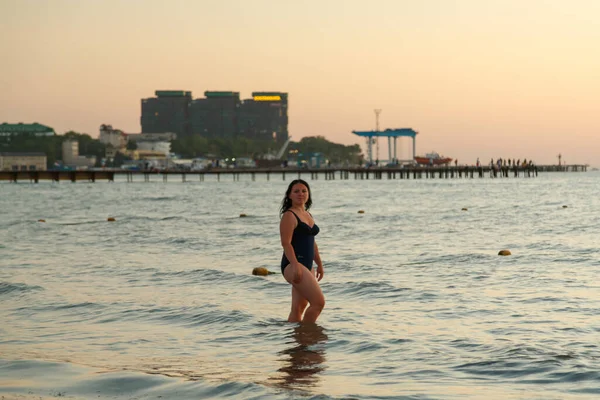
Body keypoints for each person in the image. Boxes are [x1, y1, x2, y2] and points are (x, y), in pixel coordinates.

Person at [280, 179, 325, 323]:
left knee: (298, 308)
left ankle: (297, 341)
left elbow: (312, 243)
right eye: (296, 191)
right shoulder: (289, 215)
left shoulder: (308, 215)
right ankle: (307, 335)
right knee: (318, 303)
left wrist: (319, 263)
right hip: (292, 264)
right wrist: (294, 265)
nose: (301, 194)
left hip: (307, 265)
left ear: (308, 194)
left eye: (304, 191)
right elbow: (286, 243)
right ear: (289, 195)